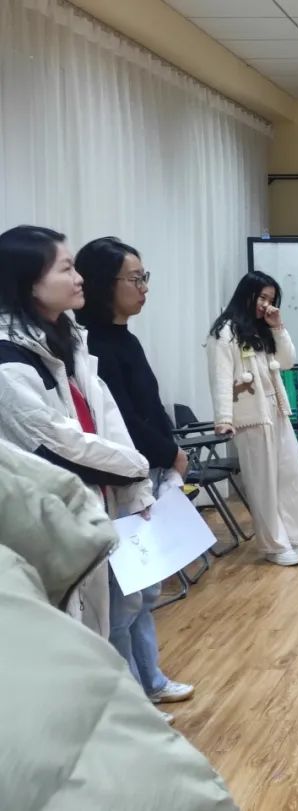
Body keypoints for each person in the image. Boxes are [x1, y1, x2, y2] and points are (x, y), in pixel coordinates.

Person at [0, 437, 238, 811]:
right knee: (118, 618)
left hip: (110, 495)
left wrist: (139, 479)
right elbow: (61, 443)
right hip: (99, 495)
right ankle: (142, 685)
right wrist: (141, 466)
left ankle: (151, 682)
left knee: (138, 601)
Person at [0, 225, 153, 637]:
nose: (78, 278)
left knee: (114, 615)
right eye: (66, 268)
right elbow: (58, 445)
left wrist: (137, 488)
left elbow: (106, 416)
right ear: (30, 282)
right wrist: (138, 468)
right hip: (51, 520)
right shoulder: (8, 359)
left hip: (98, 498)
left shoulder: (69, 339)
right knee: (72, 629)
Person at [76, 236, 195, 710]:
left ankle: (152, 680)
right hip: (124, 479)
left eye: (145, 277)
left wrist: (171, 450)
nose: (144, 287)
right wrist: (168, 451)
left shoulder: (124, 337)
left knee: (146, 590)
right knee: (123, 599)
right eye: (136, 278)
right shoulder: (93, 345)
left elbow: (150, 406)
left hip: (152, 472)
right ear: (105, 283)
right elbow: (121, 420)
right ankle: (132, 701)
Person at [207, 271, 298, 567]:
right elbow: (220, 376)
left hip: (276, 411)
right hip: (250, 417)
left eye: (271, 299)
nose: (266, 304)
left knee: (291, 475)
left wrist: (278, 327)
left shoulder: (262, 329)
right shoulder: (225, 331)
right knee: (263, 483)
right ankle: (274, 545)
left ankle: (295, 537)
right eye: (262, 297)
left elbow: (287, 361)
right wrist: (223, 417)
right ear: (247, 294)